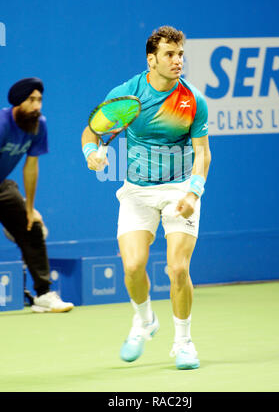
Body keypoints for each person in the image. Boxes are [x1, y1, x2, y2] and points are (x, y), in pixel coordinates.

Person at [81, 26, 211, 369]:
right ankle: (144, 321)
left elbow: (203, 153)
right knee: (133, 265)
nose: (178, 60)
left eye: (181, 54)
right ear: (151, 60)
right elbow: (93, 129)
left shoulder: (193, 99)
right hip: (137, 191)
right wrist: (91, 152)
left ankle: (183, 342)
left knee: (177, 268)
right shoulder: (129, 94)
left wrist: (194, 192)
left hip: (179, 190)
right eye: (170, 54)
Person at [0, 77, 74, 313]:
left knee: (32, 226)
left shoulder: (38, 125)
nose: (37, 105)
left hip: (2, 185)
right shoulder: (2, 124)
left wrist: (29, 209)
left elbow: (31, 167)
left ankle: (43, 294)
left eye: (40, 100)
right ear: (18, 102)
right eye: (31, 100)